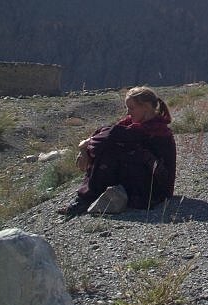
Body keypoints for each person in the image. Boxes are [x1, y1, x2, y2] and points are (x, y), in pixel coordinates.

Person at [57, 86, 177, 216]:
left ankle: (85, 199)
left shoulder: (156, 129)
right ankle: (88, 198)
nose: (128, 113)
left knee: (110, 151)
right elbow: (106, 132)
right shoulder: (133, 126)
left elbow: (111, 135)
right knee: (112, 146)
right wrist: (85, 148)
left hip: (155, 191)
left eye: (131, 108)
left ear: (146, 107)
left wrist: (85, 146)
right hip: (143, 181)